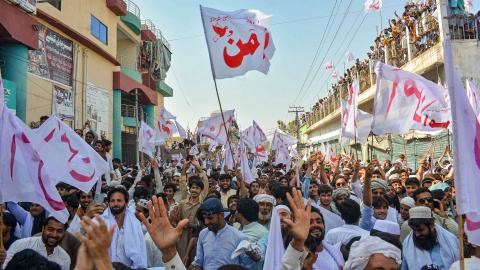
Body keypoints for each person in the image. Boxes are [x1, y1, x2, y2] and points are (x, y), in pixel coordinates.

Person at [193, 197, 254, 269]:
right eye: (204, 218)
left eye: (210, 218)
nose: (206, 222)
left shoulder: (239, 237)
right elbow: (199, 263)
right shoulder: (203, 234)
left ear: (221, 215)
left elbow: (248, 265)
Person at [101, 186, 147, 268]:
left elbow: (141, 250)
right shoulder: (99, 222)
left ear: (126, 203)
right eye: (112, 201)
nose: (115, 204)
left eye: (119, 200)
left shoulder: (135, 223)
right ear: (108, 203)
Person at [3, 216, 71, 270]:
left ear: (64, 233)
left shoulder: (65, 259)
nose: (54, 235)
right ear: (43, 229)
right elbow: (5, 267)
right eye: (50, 229)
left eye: (59, 231)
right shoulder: (20, 245)